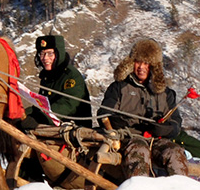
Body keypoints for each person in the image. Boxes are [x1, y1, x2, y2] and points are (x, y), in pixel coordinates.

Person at [97, 38, 188, 179]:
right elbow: (103, 114)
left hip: (157, 141)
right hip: (129, 139)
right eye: (138, 62)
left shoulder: (166, 94)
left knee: (175, 152)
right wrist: (121, 123)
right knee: (139, 149)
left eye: (146, 63)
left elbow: (176, 124)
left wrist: (166, 129)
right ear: (131, 63)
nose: (141, 67)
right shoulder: (119, 88)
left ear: (153, 66)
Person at [19, 35, 92, 129]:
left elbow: (67, 105)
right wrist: (23, 114)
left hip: (74, 130)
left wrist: (39, 118)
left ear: (58, 54)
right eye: (42, 53)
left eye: (50, 54)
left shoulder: (71, 76)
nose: (45, 58)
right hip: (54, 127)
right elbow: (43, 105)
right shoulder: (47, 77)